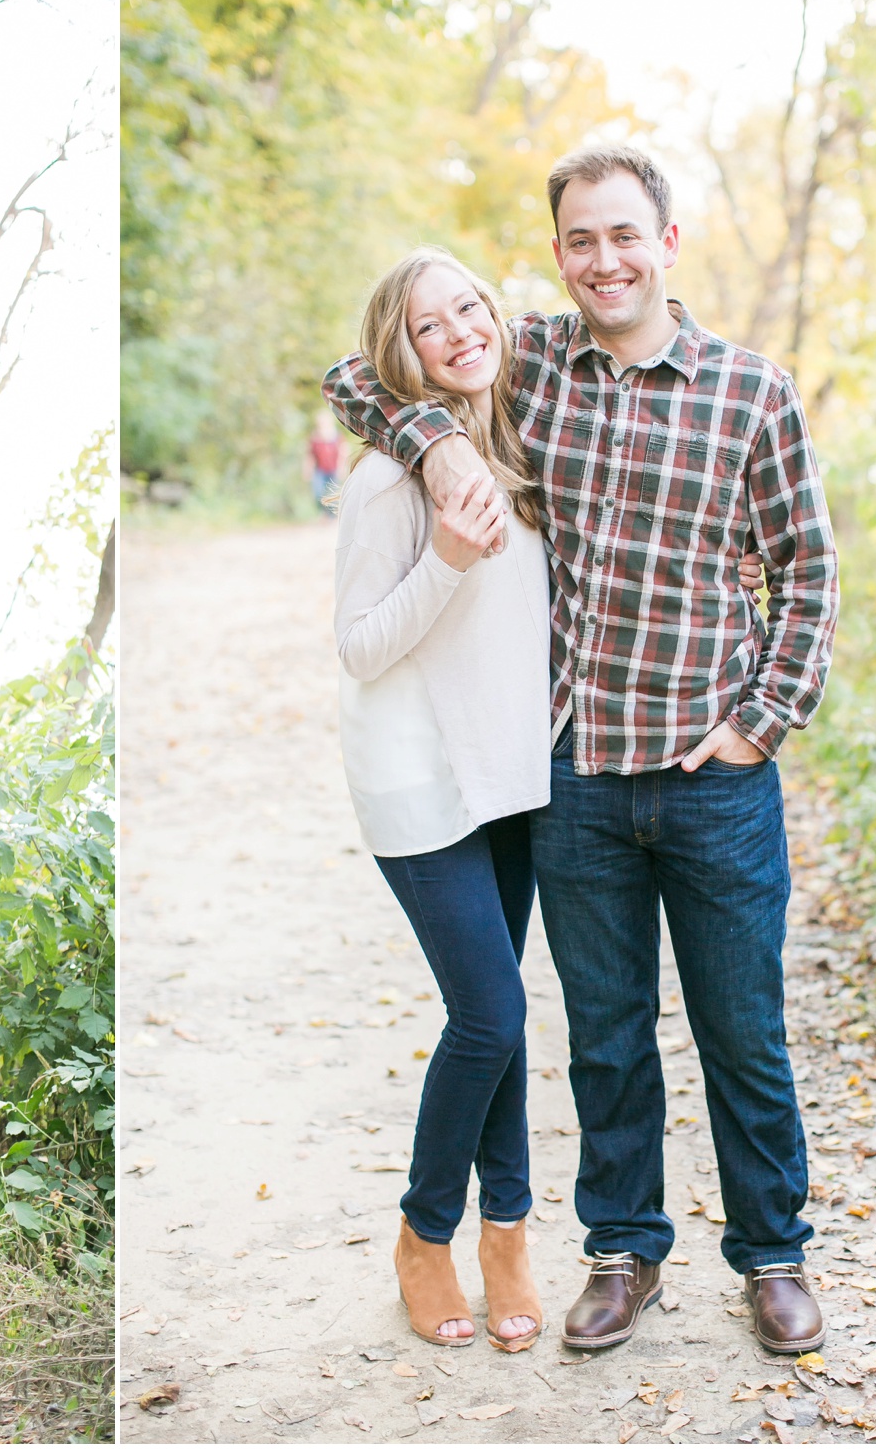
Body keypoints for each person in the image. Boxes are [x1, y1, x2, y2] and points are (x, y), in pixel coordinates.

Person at [325, 146, 838, 1355]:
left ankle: (771, 1253)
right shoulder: (536, 363)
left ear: (665, 239)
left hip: (711, 779)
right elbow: (360, 371)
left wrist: (753, 724)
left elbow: (808, 577)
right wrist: (437, 446)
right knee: (602, 1035)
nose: (601, 258)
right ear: (556, 255)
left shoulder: (749, 391)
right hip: (574, 777)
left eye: (621, 234)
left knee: (740, 1030)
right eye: (577, 240)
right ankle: (620, 1250)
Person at [334, 249, 551, 1351]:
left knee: (500, 1014)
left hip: (511, 774)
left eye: (469, 305)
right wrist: (448, 560)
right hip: (420, 785)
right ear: (400, 350)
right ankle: (427, 1233)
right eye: (429, 324)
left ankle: (505, 1235)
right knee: (491, 1014)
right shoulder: (387, 479)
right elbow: (359, 644)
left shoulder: (518, 439)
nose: (459, 329)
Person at [309, 413, 344, 514]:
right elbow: (310, 454)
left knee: (332, 494)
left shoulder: (337, 436)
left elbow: (342, 452)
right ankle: (323, 514)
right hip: (319, 470)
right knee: (318, 492)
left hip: (333, 469)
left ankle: (332, 516)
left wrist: (341, 467)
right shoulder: (315, 437)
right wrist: (308, 469)